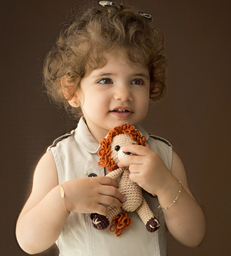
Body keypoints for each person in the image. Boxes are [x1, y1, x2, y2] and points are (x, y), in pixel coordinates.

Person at [15, 1, 206, 255]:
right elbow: (28, 241)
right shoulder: (59, 160)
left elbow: (194, 235)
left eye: (137, 80)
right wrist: (63, 199)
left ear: (151, 85)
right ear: (72, 90)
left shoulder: (162, 156)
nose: (124, 93)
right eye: (105, 80)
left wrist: (166, 185)